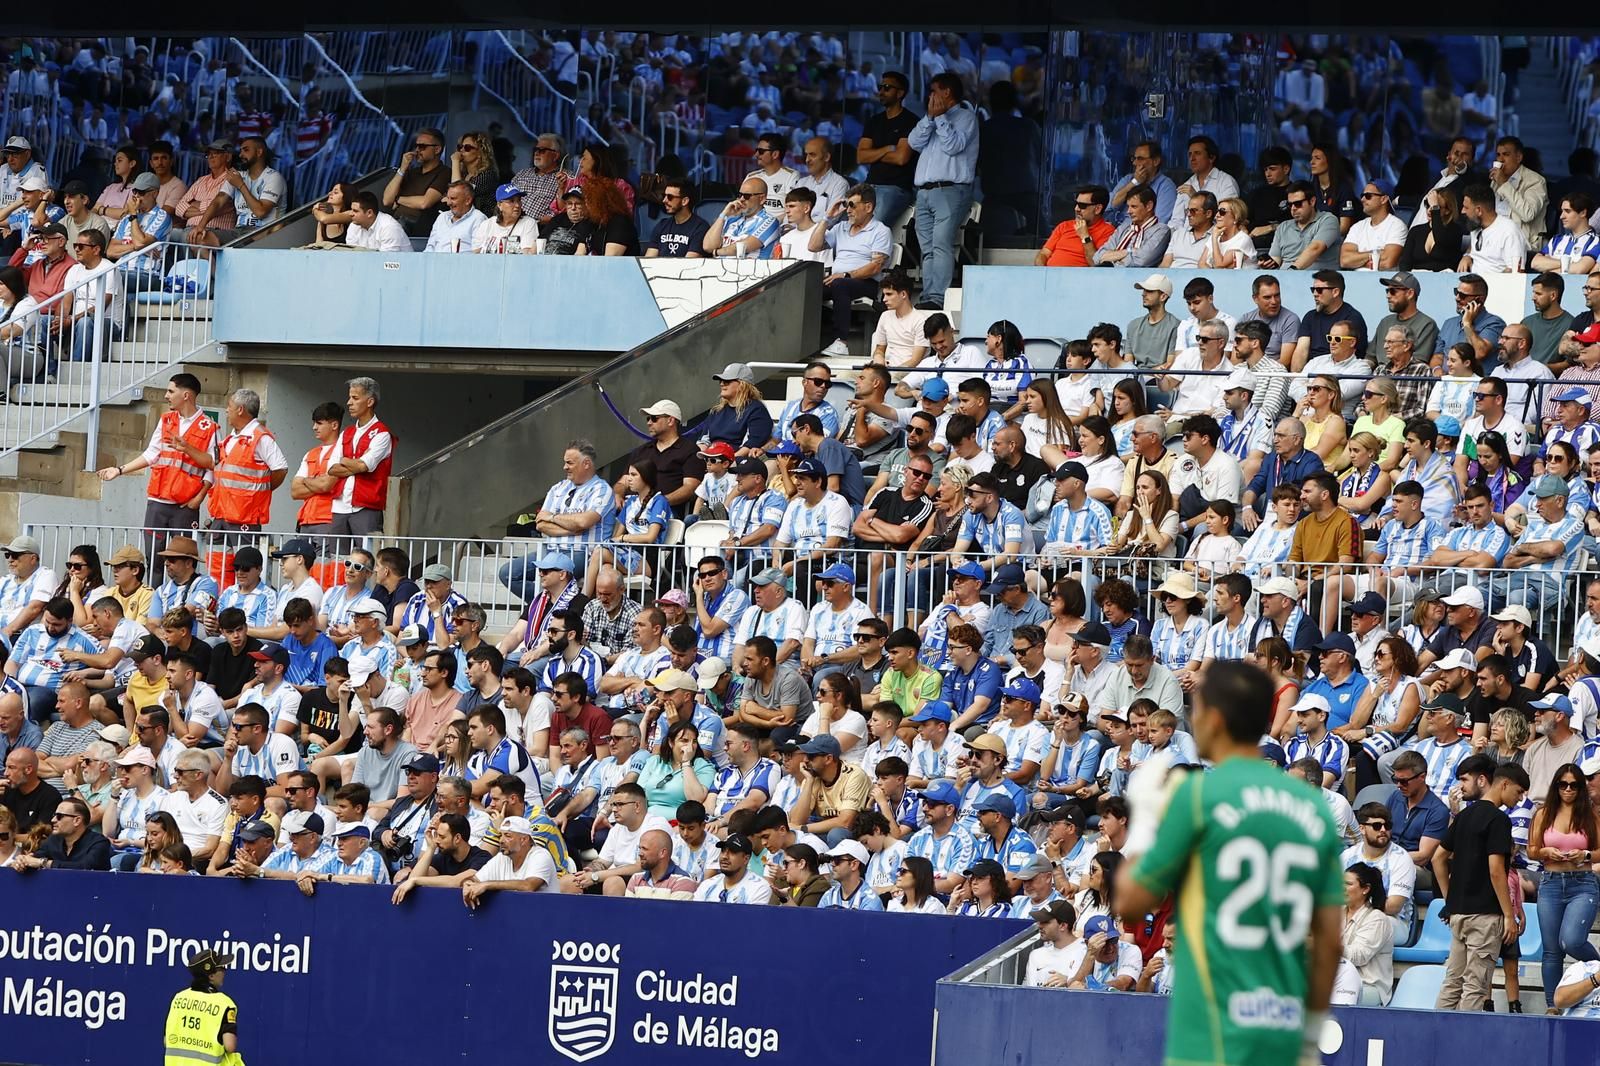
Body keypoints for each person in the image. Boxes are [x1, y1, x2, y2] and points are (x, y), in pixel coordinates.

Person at [1119, 661, 1343, 1065]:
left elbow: (1132, 902)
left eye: (1196, 709)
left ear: (1216, 719)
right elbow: (1328, 942)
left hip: (1213, 1025)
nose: (1192, 718)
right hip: (1284, 1028)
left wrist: (1145, 824)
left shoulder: (1199, 795)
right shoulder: (1314, 809)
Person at [1433, 758, 1528, 1010]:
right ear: (1505, 784)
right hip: (1485, 915)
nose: (1519, 799)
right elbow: (1497, 870)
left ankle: (1438, 1041)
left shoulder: (1464, 815)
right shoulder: (1498, 819)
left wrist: (1449, 900)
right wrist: (1509, 915)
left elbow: (1437, 858)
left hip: (1459, 913)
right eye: (1519, 792)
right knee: (1475, 986)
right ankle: (1464, 1048)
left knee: (1452, 982)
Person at [96, 374, 218, 536]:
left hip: (185, 505)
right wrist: (119, 470)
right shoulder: (166, 420)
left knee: (183, 558)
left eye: (171, 391)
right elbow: (151, 454)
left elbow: (214, 466)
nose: (166, 396)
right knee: (152, 556)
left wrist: (199, 498)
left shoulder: (210, 427)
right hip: (157, 500)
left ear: (186, 395)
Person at [1529, 761, 1600, 1008]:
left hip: (1582, 882)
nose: (1568, 789)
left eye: (1574, 785)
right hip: (1550, 881)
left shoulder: (1590, 814)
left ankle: (1598, 972)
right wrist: (1546, 851)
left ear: (1581, 787)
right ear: (1556, 786)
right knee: (1551, 951)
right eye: (1563, 784)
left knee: (1570, 940)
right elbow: (1531, 851)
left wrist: (1586, 856)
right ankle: (1553, 1007)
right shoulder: (1542, 813)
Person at [907, 73, 978, 310]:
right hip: (924, 192)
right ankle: (928, 295)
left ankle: (938, 297)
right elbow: (913, 143)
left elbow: (953, 146)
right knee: (926, 248)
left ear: (946, 92)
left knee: (940, 243)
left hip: (950, 190)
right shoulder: (932, 118)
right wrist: (930, 118)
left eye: (933, 90)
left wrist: (939, 119)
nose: (930, 95)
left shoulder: (966, 117)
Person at [162, 950, 239, 1066]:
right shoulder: (224, 1004)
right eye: (221, 968)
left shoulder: (179, 998)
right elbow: (230, 1046)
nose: (224, 971)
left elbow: (167, 1040)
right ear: (211, 976)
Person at [1342, 862, 1395, 1005]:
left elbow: (1358, 956)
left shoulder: (1377, 918)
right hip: (1339, 980)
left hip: (1369, 987)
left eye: (1348, 884)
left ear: (1365, 889)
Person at [382, 126, 450, 237]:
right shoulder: (411, 172)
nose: (417, 150)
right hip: (395, 221)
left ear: (437, 149)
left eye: (422, 146)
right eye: (416, 146)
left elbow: (424, 203)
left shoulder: (444, 172)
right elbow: (387, 200)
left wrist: (398, 199)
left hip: (416, 224)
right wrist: (402, 169)